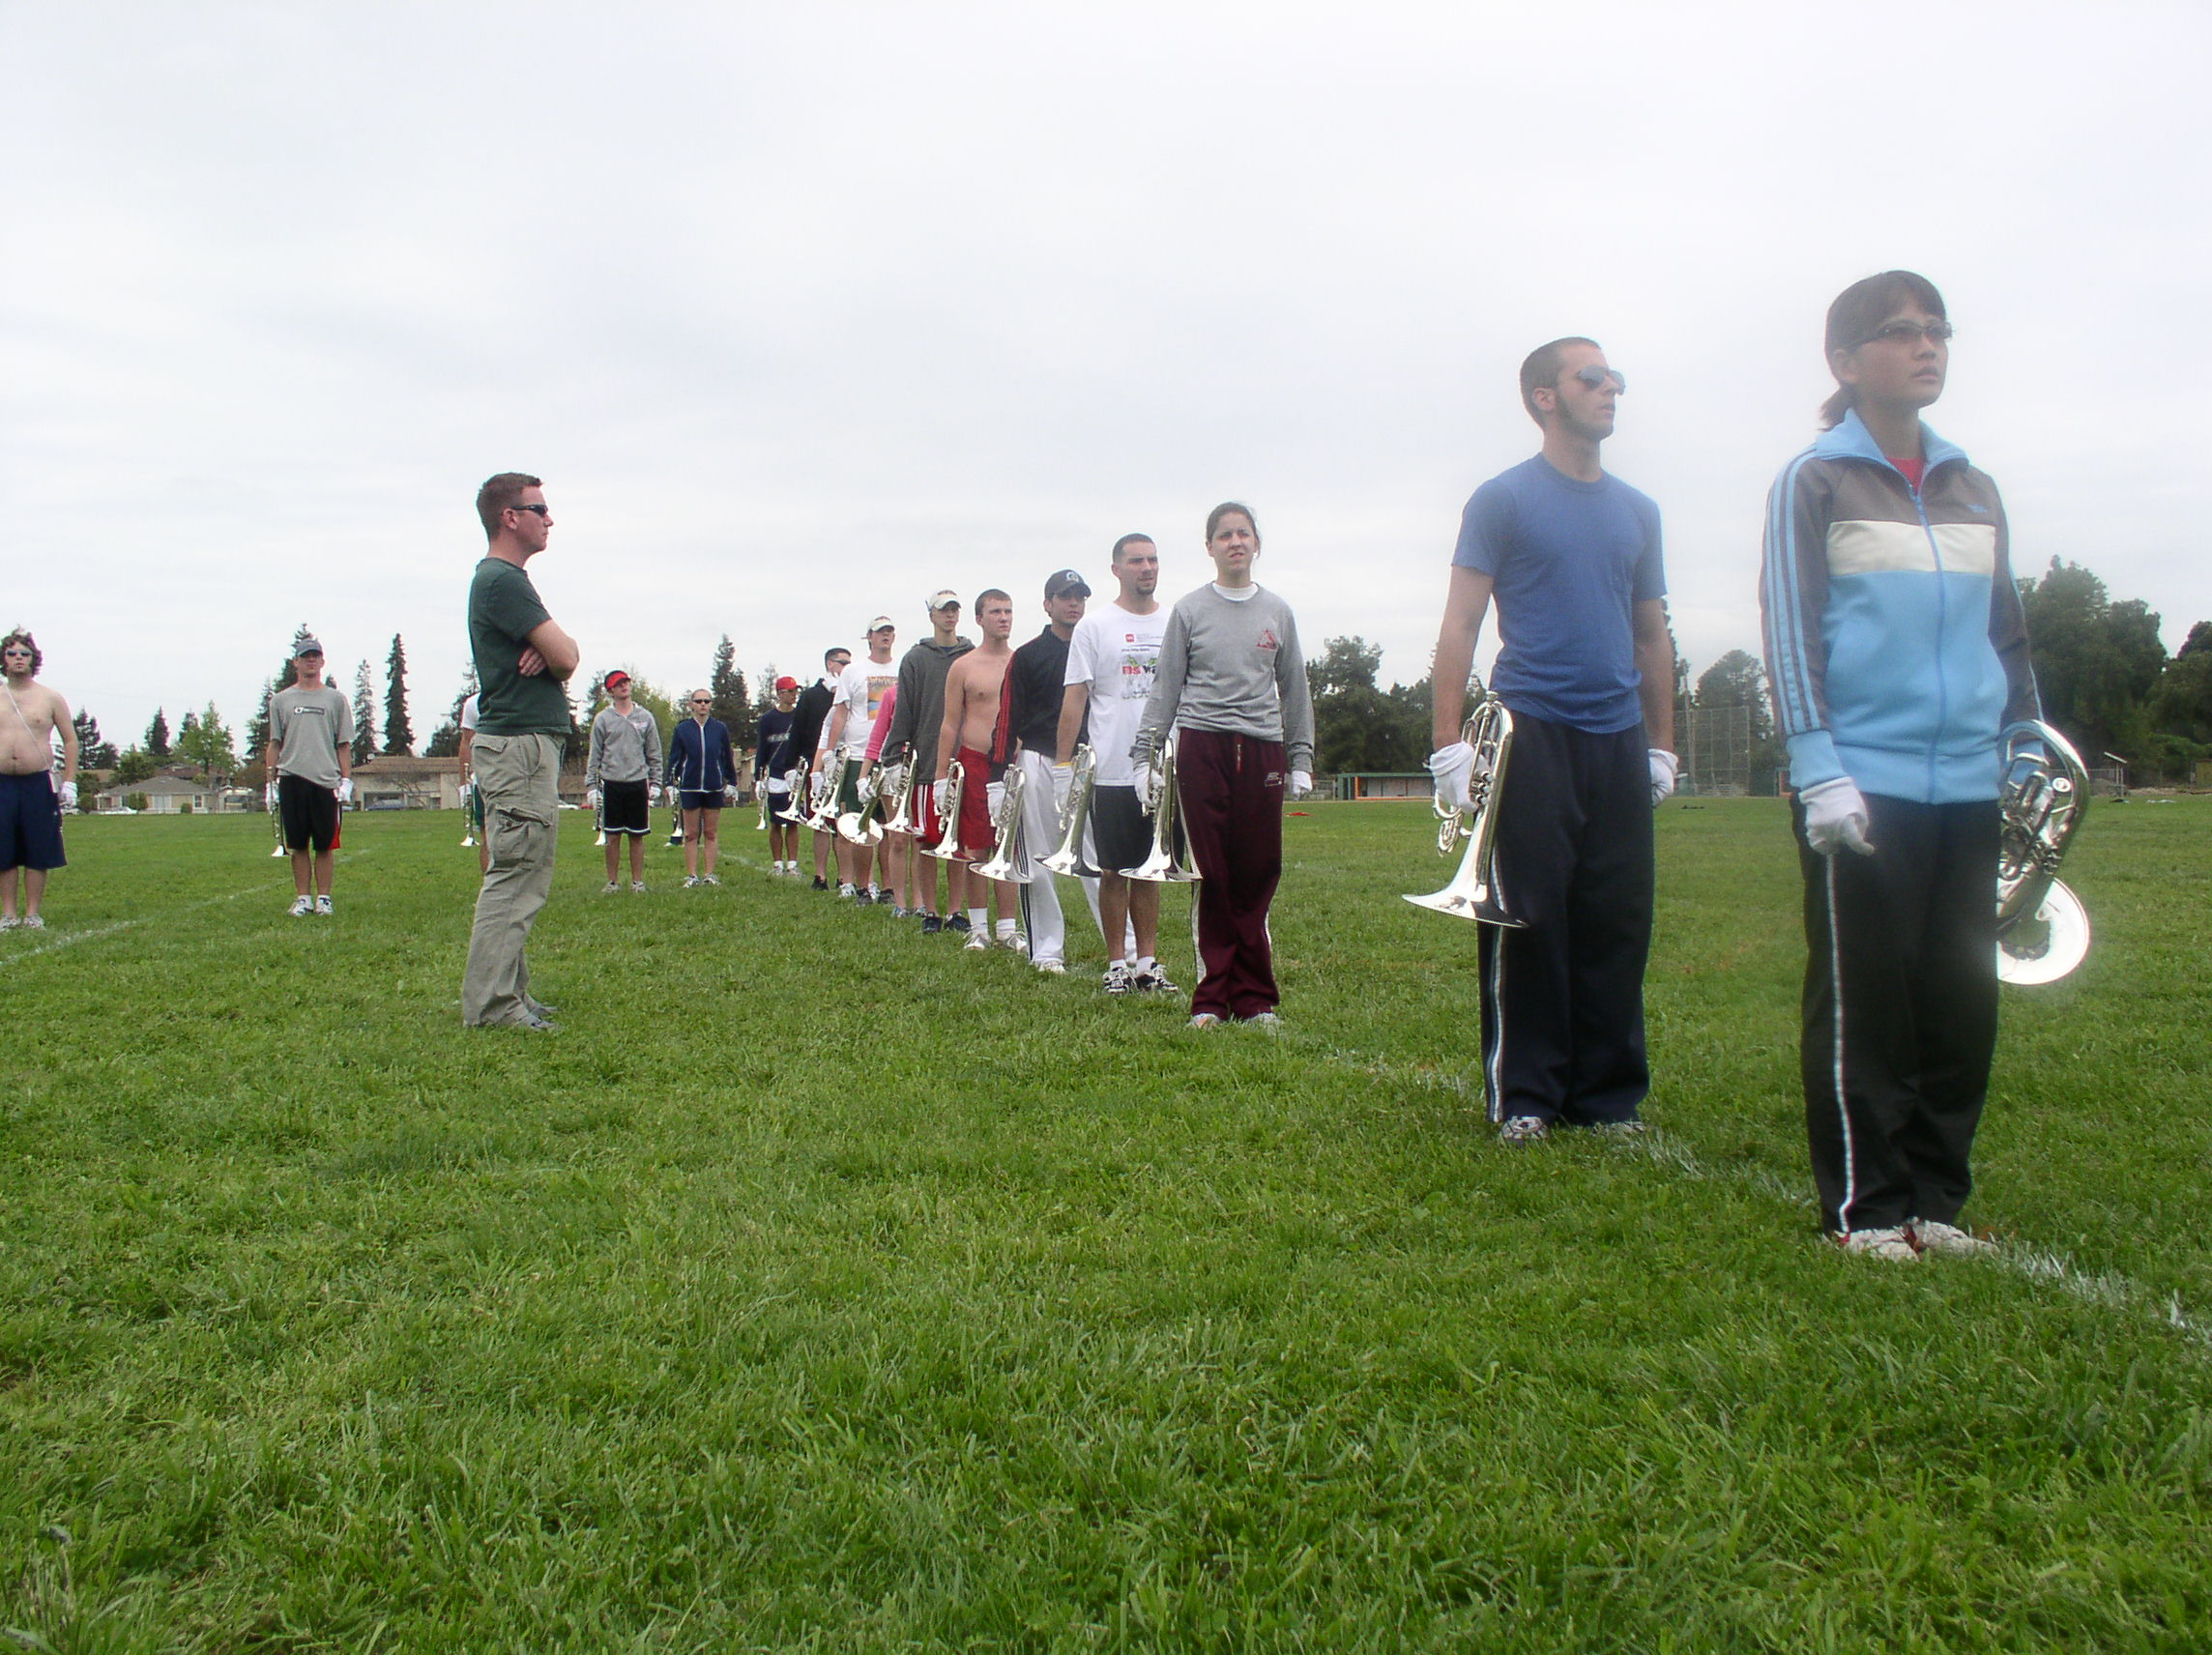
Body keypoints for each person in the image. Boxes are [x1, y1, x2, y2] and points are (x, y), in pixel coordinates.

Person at [1760, 272, 2035, 1263]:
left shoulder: (1974, 486)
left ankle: (1933, 1200)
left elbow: (2006, 638)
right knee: (1864, 1003)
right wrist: (1816, 765)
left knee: (1958, 1003)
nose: (1924, 346)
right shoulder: (1814, 480)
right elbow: (1789, 635)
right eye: (1897, 332)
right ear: (1843, 361)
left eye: (1935, 330)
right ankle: (1866, 1209)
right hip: (1860, 786)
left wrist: (2023, 749)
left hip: (1965, 781)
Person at [1429, 338, 1674, 1138]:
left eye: (1616, 381)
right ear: (1544, 397)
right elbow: (1461, 624)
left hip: (1617, 736)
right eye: (1592, 379)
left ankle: (1607, 1099)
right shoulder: (1501, 500)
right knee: (1529, 919)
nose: (1611, 391)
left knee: (1616, 918)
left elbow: (1651, 637)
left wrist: (1661, 745)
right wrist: (1447, 747)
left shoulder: (1640, 511)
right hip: (1531, 730)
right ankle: (1527, 1097)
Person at [1135, 507, 1313, 1027]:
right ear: (1209, 546)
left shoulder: (1277, 611)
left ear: (1256, 543)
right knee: (1212, 874)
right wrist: (1144, 756)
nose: (1234, 542)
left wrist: (1299, 758)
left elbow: (1295, 689)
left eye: (1243, 533)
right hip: (1201, 748)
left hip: (1262, 749)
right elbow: (1165, 685)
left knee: (1258, 872)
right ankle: (1211, 998)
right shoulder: (1190, 610)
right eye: (1224, 535)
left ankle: (1255, 998)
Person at [462, 472, 580, 1031]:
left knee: (526, 870)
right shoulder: (502, 581)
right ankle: (492, 1006)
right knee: (515, 873)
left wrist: (549, 653)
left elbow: (560, 655)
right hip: (518, 749)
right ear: (511, 517)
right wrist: (549, 652)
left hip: (526, 749)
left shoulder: (506, 581)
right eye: (539, 508)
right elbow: (567, 656)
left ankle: (511, 993)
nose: (548, 518)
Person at [998, 568, 1132, 976]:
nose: (1073, 603)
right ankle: (1047, 952)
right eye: (1065, 596)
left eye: (1079, 596)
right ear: (1048, 604)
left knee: (1101, 859)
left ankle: (1124, 948)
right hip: (1038, 761)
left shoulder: (1100, 644)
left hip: (1093, 764)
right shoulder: (1028, 655)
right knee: (1038, 858)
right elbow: (1007, 719)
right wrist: (995, 777)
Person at [1062, 535, 1171, 992]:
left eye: (1152, 560)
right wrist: (1062, 767)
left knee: (1151, 868)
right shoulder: (1096, 626)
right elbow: (1075, 698)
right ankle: (1116, 966)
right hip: (1111, 768)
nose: (1146, 567)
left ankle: (1148, 964)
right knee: (1113, 870)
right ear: (1116, 569)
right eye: (1136, 561)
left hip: (1163, 770)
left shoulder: (1175, 621)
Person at [936, 590, 1025, 950]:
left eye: (1008, 611)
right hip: (974, 761)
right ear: (979, 618)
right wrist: (942, 777)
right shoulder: (964, 666)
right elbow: (949, 723)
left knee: (1009, 845)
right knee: (977, 847)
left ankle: (1007, 927)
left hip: (1013, 765)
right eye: (995, 612)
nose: (1003, 618)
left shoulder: (1022, 662)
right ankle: (978, 927)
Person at [879, 593, 973, 929]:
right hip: (927, 763)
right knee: (928, 839)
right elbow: (903, 710)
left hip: (966, 760)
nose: (949, 616)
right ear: (931, 616)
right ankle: (930, 911)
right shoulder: (915, 659)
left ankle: (956, 911)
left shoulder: (972, 654)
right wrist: (893, 756)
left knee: (959, 842)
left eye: (954, 610)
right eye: (943, 610)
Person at [265, 636, 355, 916]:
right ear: (296, 662)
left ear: (323, 661)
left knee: (325, 845)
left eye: (315, 655)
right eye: (306, 656)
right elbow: (274, 743)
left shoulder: (335, 699)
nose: (311, 660)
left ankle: (324, 898)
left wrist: (345, 780)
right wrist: (271, 783)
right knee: (298, 844)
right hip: (292, 777)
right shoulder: (281, 700)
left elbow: (343, 743)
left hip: (325, 780)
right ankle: (303, 897)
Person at [0, 628, 78, 932]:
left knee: (37, 849)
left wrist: (69, 781)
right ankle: (8, 915)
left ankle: (32, 914)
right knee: (4, 850)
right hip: (2, 783)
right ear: (4, 660)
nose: (18, 659)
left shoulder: (50, 698)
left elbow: (70, 740)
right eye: (12, 653)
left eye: (24, 654)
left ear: (34, 660)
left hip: (36, 783)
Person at [821, 619, 899, 901]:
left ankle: (890, 886)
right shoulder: (853, 671)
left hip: (892, 756)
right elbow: (840, 713)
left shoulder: (902, 668)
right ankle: (864, 884)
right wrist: (830, 751)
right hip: (858, 754)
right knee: (859, 823)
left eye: (890, 631)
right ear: (869, 637)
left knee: (890, 826)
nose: (885, 636)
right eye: (880, 632)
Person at [585, 670, 663, 893]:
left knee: (637, 836)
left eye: (626, 682)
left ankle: (637, 881)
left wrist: (656, 782)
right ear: (610, 690)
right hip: (612, 783)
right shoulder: (603, 719)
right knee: (612, 836)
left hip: (638, 783)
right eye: (618, 684)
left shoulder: (645, 717)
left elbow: (654, 753)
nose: (624, 686)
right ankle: (612, 881)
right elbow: (595, 755)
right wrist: (592, 786)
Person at [790, 648, 850, 890]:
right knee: (821, 821)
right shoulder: (812, 696)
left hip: (845, 762)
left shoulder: (850, 691)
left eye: (849, 662)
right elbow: (798, 731)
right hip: (819, 763)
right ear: (829, 663)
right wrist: (791, 766)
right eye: (841, 662)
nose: (846, 666)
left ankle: (844, 877)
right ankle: (820, 875)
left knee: (843, 821)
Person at [667, 688, 739, 886]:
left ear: (711, 704)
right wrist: (670, 783)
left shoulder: (719, 728)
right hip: (690, 787)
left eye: (706, 701)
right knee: (690, 834)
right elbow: (674, 758)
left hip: (713, 787)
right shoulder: (682, 729)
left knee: (710, 832)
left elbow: (726, 756)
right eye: (698, 701)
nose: (702, 705)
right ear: (691, 704)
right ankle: (692, 875)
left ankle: (709, 873)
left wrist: (731, 781)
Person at [757, 676, 801, 874]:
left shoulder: (800, 715)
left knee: (793, 822)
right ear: (780, 693)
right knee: (776, 822)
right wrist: (759, 778)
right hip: (775, 775)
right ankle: (777, 863)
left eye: (795, 691)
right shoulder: (768, 719)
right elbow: (762, 748)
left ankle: (792, 863)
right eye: (789, 691)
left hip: (795, 774)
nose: (793, 695)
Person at [457, 690, 486, 874]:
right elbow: (466, 742)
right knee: (488, 836)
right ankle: (493, 887)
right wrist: (464, 785)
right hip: (483, 780)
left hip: (517, 775)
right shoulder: (473, 703)